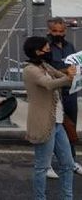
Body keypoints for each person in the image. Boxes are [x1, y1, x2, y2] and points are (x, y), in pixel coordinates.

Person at [23, 36, 76, 200]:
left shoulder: (45, 65)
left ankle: (67, 197)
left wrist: (72, 73)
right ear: (37, 51)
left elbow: (60, 76)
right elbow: (49, 84)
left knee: (67, 164)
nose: (49, 50)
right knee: (42, 167)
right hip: (44, 124)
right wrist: (68, 77)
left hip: (58, 123)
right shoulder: (30, 70)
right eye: (47, 48)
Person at [46, 17, 82, 175]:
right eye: (55, 31)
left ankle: (71, 161)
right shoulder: (45, 47)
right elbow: (46, 70)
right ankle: (47, 164)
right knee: (52, 129)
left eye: (61, 31)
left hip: (70, 93)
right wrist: (64, 71)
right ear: (49, 30)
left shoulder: (70, 46)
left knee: (70, 127)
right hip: (53, 95)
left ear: (65, 31)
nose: (58, 34)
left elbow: (76, 65)